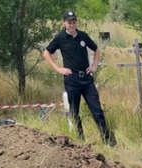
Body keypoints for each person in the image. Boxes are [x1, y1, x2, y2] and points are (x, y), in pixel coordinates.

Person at [43, 10, 115, 146]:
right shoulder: (60, 38)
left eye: (74, 22)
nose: (72, 24)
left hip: (86, 79)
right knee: (74, 112)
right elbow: (46, 53)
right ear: (64, 23)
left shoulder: (83, 36)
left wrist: (94, 65)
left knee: (97, 110)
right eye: (69, 22)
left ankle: (107, 140)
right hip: (72, 79)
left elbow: (96, 49)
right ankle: (80, 142)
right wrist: (58, 69)